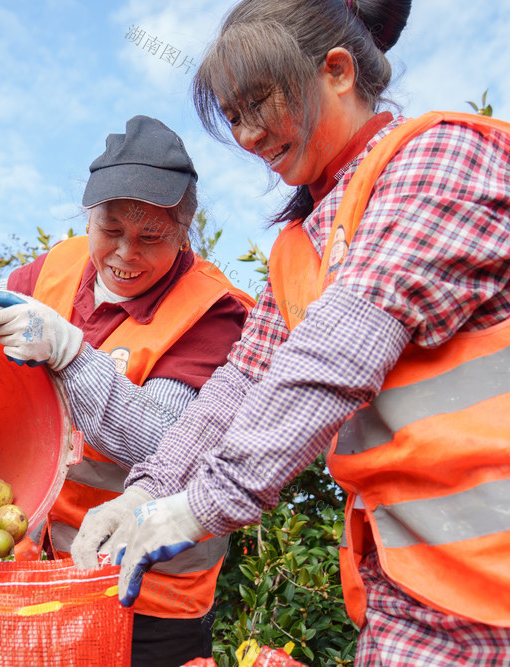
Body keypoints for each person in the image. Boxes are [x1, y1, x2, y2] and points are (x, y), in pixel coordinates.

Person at [71, 1, 510, 665]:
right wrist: (147, 490)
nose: (248, 135)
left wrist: (199, 507)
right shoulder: (300, 245)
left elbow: (334, 356)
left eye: (257, 104)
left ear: (337, 72)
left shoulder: (439, 158)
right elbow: (240, 385)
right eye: (233, 116)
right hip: (417, 585)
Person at [0, 115, 255, 666]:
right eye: (110, 229)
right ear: (89, 217)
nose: (124, 253)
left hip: (148, 594)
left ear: (184, 234)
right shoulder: (60, 266)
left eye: (151, 238)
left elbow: (166, 444)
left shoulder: (210, 314)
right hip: (50, 572)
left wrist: (71, 355)